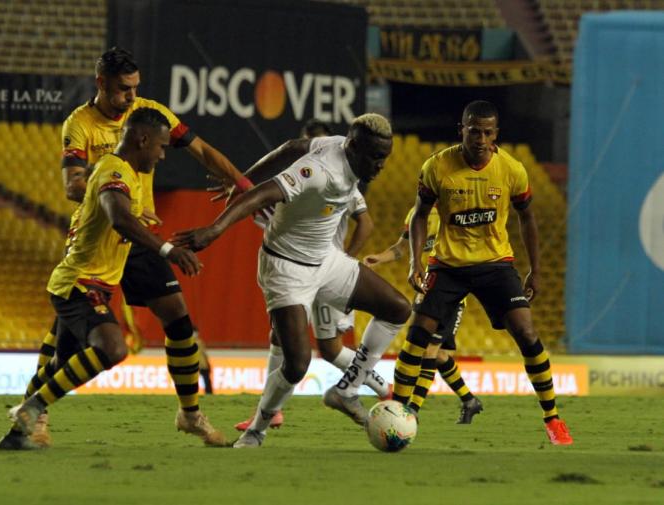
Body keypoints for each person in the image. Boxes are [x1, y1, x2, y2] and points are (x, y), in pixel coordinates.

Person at [24, 47, 251, 448]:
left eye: (134, 88)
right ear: (101, 83)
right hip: (102, 235)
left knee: (178, 318)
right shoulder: (79, 125)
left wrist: (243, 185)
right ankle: (34, 415)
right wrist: (112, 189)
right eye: (121, 90)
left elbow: (201, 150)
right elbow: (71, 186)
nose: (130, 97)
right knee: (67, 342)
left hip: (140, 237)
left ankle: (190, 413)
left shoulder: (149, 111)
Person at [173, 113, 411, 448]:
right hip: (287, 268)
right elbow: (263, 194)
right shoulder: (318, 172)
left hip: (327, 262)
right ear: (354, 147)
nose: (380, 165)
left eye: (384, 158)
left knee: (398, 308)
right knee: (297, 363)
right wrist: (215, 228)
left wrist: (243, 178)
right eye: (375, 157)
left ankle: (347, 389)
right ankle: (256, 431)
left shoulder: (339, 148)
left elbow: (291, 146)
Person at [0, 108, 206, 449]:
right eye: (161, 146)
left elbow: (114, 211)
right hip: (80, 283)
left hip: (88, 282)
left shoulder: (122, 173)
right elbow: (119, 219)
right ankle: (31, 409)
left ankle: (17, 436)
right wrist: (169, 250)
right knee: (112, 347)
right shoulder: (114, 171)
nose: (163, 154)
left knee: (60, 363)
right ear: (143, 140)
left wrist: (136, 213)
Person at [396, 100, 572, 445]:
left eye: (486, 132)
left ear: (495, 135)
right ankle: (399, 413)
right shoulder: (437, 166)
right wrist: (415, 261)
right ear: (461, 129)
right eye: (473, 130)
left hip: (495, 265)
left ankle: (553, 419)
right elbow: (419, 215)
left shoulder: (511, 170)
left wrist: (535, 269)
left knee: (526, 332)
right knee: (417, 335)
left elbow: (528, 217)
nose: (479, 138)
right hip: (447, 266)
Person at [234, 119, 390, 432]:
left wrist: (346, 259)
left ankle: (382, 386)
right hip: (297, 268)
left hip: (326, 269)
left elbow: (366, 222)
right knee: (280, 337)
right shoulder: (300, 178)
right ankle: (272, 412)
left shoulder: (341, 177)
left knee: (329, 349)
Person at [364, 206, 483, 423]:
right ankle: (470, 401)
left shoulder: (457, 211)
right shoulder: (416, 212)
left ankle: (413, 409)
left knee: (429, 350)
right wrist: (379, 258)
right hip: (425, 291)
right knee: (437, 355)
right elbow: (402, 247)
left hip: (451, 293)